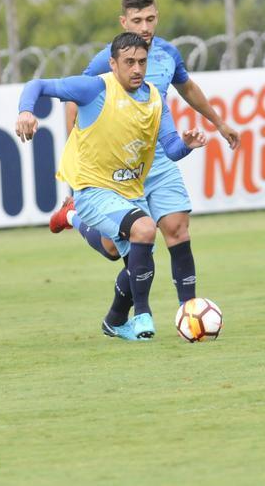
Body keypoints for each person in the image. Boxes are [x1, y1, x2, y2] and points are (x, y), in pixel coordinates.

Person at [51, 0, 240, 312]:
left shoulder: (168, 55)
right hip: (117, 168)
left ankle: (190, 312)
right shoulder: (108, 58)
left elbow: (188, 88)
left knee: (177, 228)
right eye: (137, 20)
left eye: (150, 19)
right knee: (115, 248)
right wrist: (77, 149)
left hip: (158, 158)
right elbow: (74, 97)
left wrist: (219, 123)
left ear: (157, 18)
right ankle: (73, 215)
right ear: (124, 21)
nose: (145, 27)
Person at [16, 31, 207, 340]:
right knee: (144, 230)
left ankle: (115, 320)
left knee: (128, 257)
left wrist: (186, 144)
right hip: (92, 188)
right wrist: (26, 111)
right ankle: (143, 318)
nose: (136, 69)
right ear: (113, 64)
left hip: (130, 191)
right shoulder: (94, 87)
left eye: (142, 62)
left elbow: (170, 148)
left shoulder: (155, 99)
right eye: (128, 62)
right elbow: (37, 85)